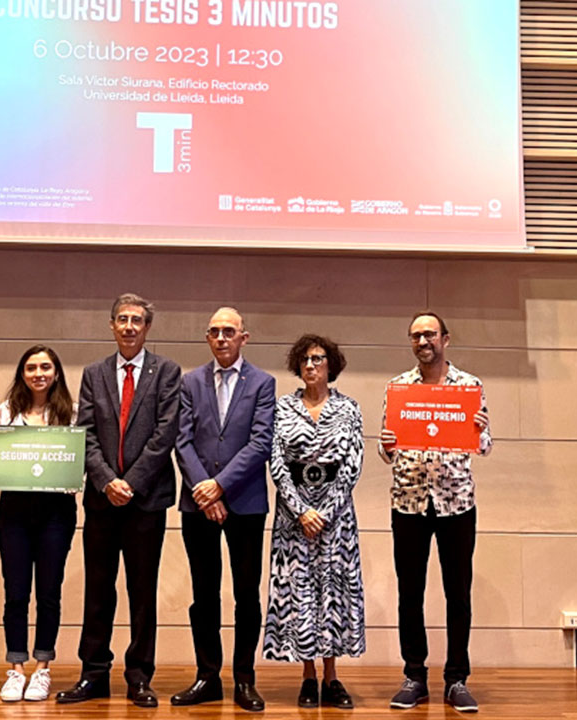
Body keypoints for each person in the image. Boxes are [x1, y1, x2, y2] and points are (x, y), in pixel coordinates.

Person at [56, 293, 182, 708]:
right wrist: (108, 481)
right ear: (111, 326)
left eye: (137, 321)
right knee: (98, 590)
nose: (129, 327)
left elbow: (166, 434)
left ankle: (139, 676)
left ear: (147, 328)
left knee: (142, 592)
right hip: (101, 502)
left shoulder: (167, 372)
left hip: (146, 501)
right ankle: (93, 673)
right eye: (122, 320)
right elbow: (86, 432)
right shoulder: (94, 373)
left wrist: (132, 482)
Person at [379, 311, 491, 713]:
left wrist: (478, 431)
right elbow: (387, 448)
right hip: (408, 501)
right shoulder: (398, 388)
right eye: (415, 336)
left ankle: (457, 679)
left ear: (446, 338)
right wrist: (387, 444)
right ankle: (414, 676)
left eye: (429, 334)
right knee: (410, 594)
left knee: (457, 594)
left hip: (456, 504)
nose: (423, 341)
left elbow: (485, 445)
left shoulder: (469, 387)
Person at [172, 307, 276, 712]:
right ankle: (207, 675)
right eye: (214, 332)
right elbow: (182, 442)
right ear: (207, 337)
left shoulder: (263, 383)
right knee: (204, 593)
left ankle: (245, 678)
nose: (221, 338)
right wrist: (205, 491)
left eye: (229, 331)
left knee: (247, 594)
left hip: (245, 504)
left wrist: (220, 487)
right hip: (197, 504)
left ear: (243, 338)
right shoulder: (191, 381)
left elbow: (260, 442)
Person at [263, 334, 365, 710]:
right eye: (305, 359)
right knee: (300, 592)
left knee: (334, 594)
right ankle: (307, 676)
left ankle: (332, 677)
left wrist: (325, 511)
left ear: (330, 365)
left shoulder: (349, 409)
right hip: (294, 517)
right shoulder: (283, 408)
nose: (311, 365)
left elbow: (353, 464)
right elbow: (276, 462)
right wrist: (301, 509)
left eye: (319, 359)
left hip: (336, 518)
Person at [0, 345, 78, 702]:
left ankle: (43, 668)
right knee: (15, 593)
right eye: (31, 368)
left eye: (45, 367)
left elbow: (77, 465)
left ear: (56, 372)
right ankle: (16, 668)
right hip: (13, 510)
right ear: (22, 373)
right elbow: (1, 458)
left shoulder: (71, 414)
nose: (38, 373)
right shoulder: (5, 411)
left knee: (48, 592)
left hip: (56, 512)